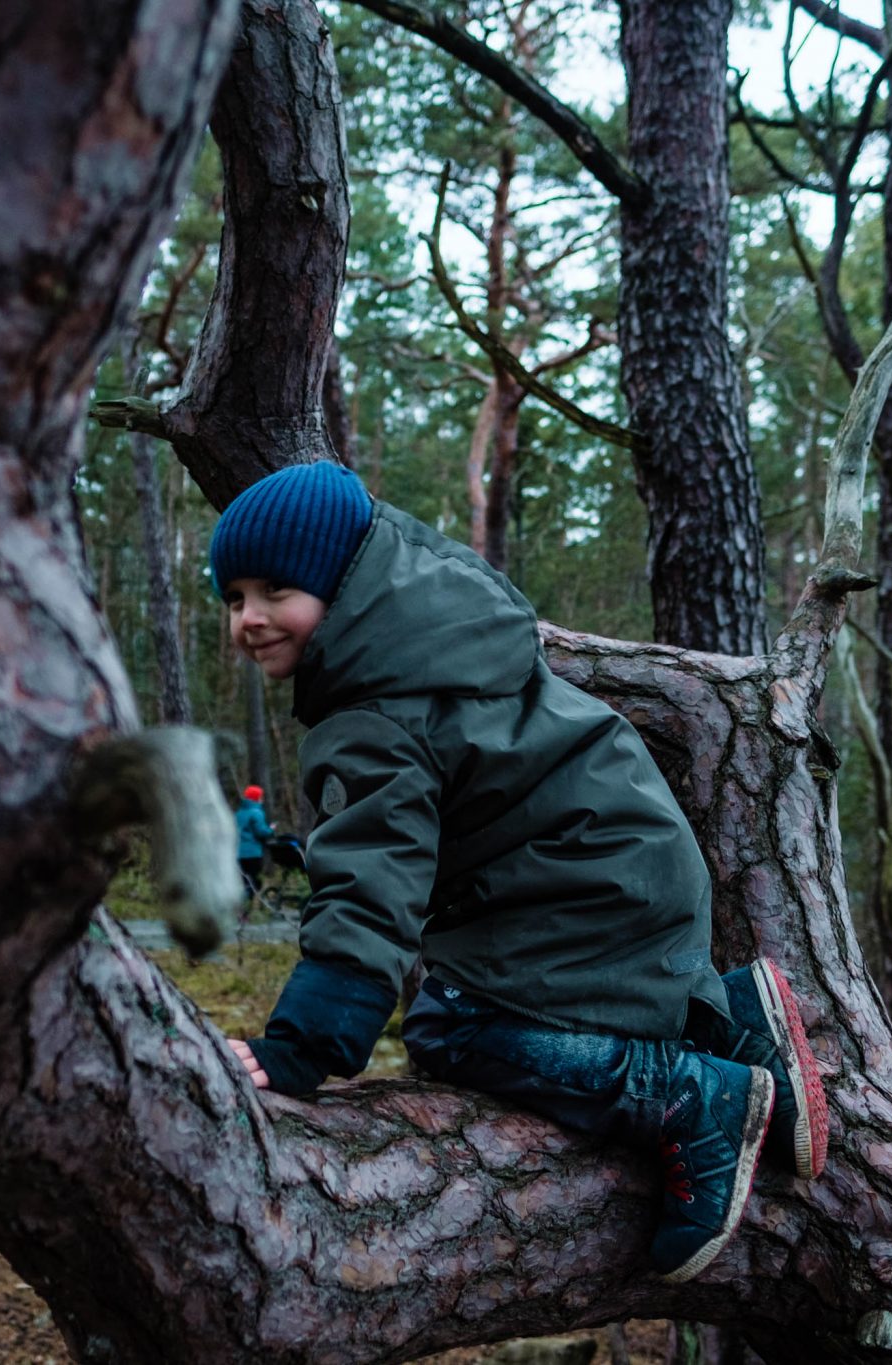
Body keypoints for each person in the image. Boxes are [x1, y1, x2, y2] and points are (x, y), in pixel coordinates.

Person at [210, 461, 828, 1284]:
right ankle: (730, 1021)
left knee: (450, 1027)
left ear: (339, 584)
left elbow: (370, 890)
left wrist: (300, 1045)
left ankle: (691, 1098)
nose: (249, 618)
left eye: (275, 589)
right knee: (481, 989)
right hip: (622, 866)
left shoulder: (375, 712)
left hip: (584, 886)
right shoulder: (440, 641)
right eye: (232, 596)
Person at [235, 785, 273, 898]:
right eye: (261, 797)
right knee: (254, 883)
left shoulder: (238, 813)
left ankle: (242, 910)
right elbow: (261, 832)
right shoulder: (256, 812)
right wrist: (271, 830)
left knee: (243, 883)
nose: (262, 799)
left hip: (238, 854)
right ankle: (248, 908)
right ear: (256, 798)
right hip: (253, 854)